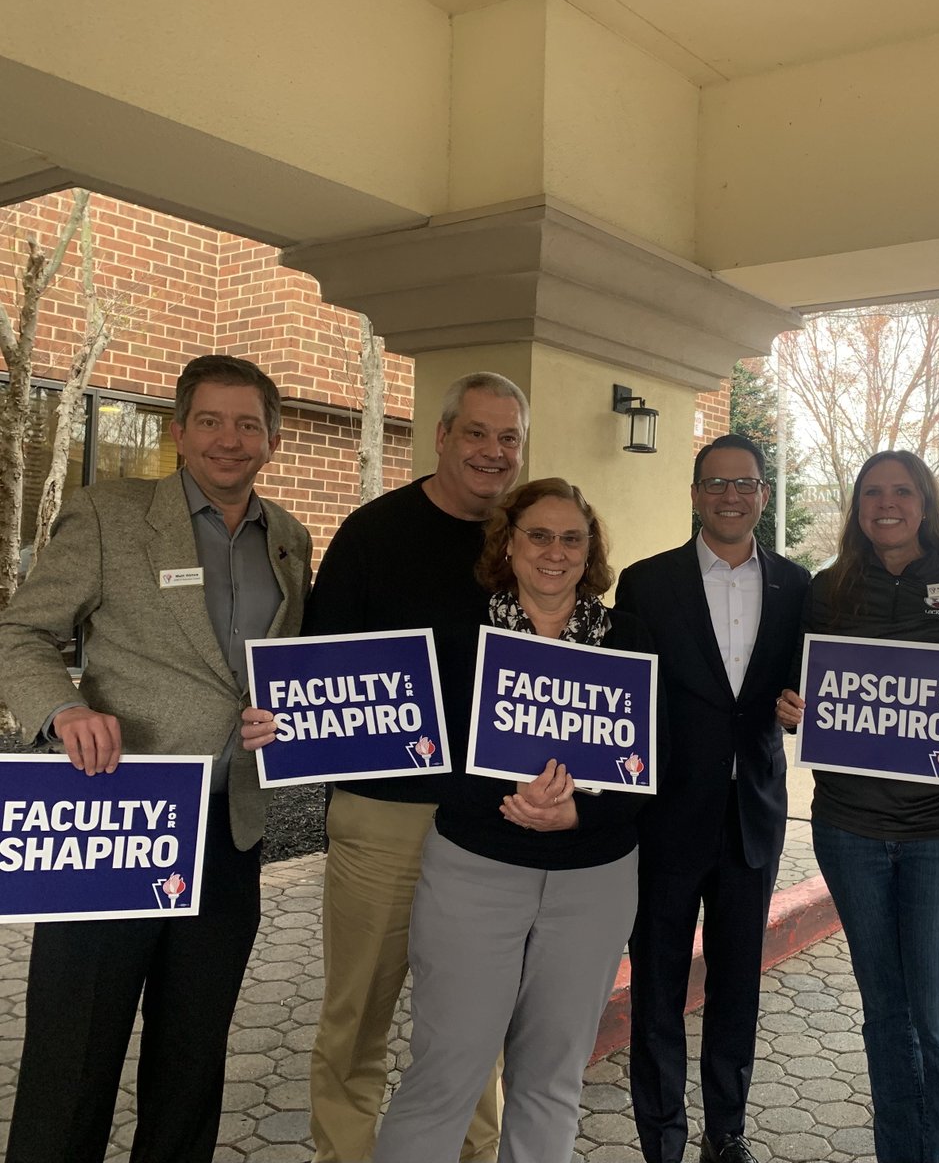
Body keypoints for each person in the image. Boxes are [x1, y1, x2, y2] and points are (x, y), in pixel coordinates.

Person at [248, 478, 653, 1162]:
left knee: (552, 1079)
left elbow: (652, 763)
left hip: (594, 880)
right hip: (476, 871)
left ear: (590, 552)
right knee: (448, 1070)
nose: (554, 552)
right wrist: (285, 723)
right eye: (538, 535)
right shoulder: (459, 641)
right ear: (510, 544)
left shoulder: (631, 641)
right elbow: (388, 721)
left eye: (571, 538)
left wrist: (579, 809)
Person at [0, 355, 312, 1163]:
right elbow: (21, 633)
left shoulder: (289, 537)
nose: (229, 439)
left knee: (192, 1057)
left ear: (273, 441)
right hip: (120, 820)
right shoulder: (108, 514)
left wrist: (290, 721)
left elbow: (279, 665)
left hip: (230, 832)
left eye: (249, 423)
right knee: (74, 1056)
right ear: (179, 431)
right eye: (210, 420)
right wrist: (63, 709)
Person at [299, 372, 527, 1163]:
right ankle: (346, 1154)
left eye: (508, 439)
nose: (492, 452)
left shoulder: (524, 544)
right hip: (382, 815)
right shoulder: (371, 534)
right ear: (441, 436)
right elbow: (320, 673)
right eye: (476, 433)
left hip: (492, 821)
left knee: (473, 1020)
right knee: (356, 1014)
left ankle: (474, 1154)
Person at [776, 449, 939, 1163]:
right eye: (872, 493)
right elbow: (800, 685)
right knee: (886, 1016)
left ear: (926, 502)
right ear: (858, 508)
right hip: (851, 829)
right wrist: (791, 706)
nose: (886, 504)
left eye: (902, 491)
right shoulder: (828, 591)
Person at [614, 433, 809, 1163]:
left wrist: (805, 707)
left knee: (737, 990)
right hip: (665, 818)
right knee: (657, 992)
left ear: (763, 494)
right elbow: (621, 695)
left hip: (752, 817)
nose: (731, 495)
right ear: (695, 495)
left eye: (746, 483)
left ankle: (726, 1134)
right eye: (716, 483)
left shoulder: (798, 586)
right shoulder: (645, 582)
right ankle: (660, 1138)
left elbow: (810, 685)